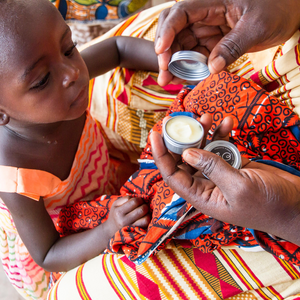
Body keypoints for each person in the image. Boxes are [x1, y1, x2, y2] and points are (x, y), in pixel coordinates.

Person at [0, 0, 159, 298]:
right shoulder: (15, 176)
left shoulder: (61, 79)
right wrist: (107, 230)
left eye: (69, 47)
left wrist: (171, 62)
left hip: (99, 188)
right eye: (42, 80)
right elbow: (48, 253)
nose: (72, 72)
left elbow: (117, 49)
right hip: (65, 240)